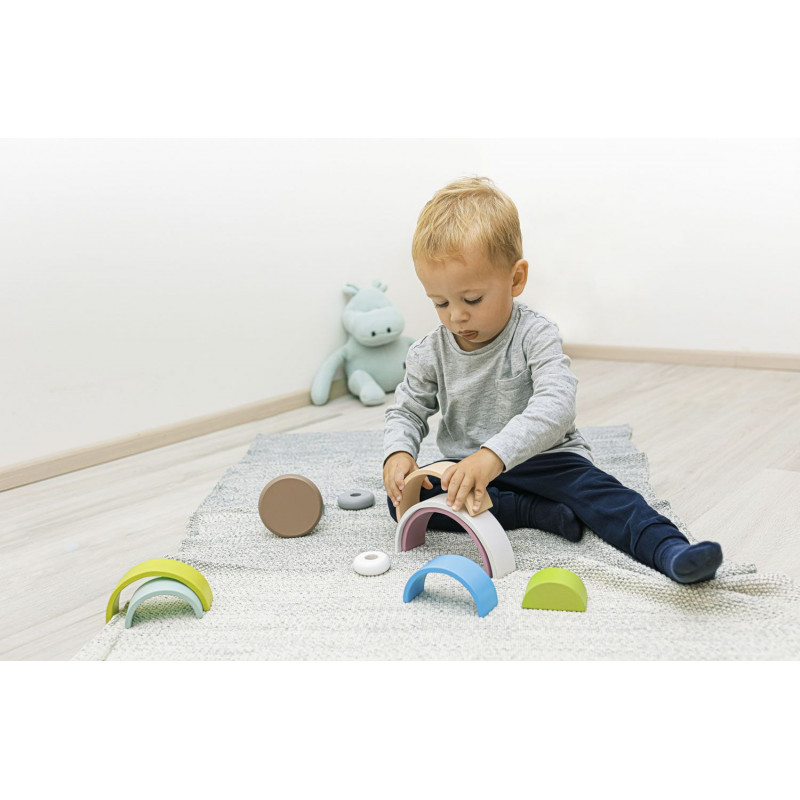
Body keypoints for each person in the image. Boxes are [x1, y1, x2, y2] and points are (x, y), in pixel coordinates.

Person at [382, 176, 723, 584]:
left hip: (547, 460)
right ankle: (532, 512)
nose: (456, 316)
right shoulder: (429, 351)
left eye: (472, 299)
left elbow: (556, 405)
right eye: (440, 302)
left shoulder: (535, 334)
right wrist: (398, 453)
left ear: (515, 279)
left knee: (603, 496)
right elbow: (407, 410)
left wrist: (492, 456)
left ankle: (670, 549)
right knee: (404, 502)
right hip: (466, 466)